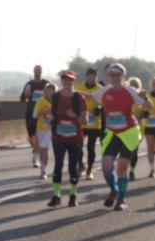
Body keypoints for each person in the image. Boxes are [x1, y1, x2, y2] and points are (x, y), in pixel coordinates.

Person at [92, 63, 147, 211]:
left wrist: (145, 98)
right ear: (108, 76)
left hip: (129, 133)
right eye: (112, 74)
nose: (115, 77)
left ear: (123, 76)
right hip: (113, 134)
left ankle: (122, 199)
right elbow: (89, 97)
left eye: (118, 75)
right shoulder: (105, 90)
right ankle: (114, 190)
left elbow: (149, 106)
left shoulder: (131, 90)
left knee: (121, 168)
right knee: (106, 166)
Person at [46, 71, 86, 207]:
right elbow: (53, 113)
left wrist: (74, 116)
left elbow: (85, 120)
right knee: (58, 165)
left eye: (70, 80)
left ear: (74, 81)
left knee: (72, 167)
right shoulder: (56, 97)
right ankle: (56, 196)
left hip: (75, 138)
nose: (67, 82)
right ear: (62, 81)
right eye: (65, 79)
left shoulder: (79, 98)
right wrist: (50, 118)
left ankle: (73, 196)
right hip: (59, 136)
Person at [75, 67, 105, 180]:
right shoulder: (79, 88)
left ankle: (89, 170)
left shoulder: (100, 89)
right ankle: (81, 165)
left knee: (90, 147)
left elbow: (106, 105)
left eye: (94, 77)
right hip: (81, 122)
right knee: (77, 145)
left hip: (94, 123)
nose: (92, 79)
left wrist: (100, 110)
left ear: (96, 77)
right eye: (89, 76)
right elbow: (73, 102)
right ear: (86, 76)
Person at [21, 65, 49, 170]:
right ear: (33, 71)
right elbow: (22, 98)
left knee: (40, 135)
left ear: (42, 71)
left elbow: (53, 96)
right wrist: (26, 94)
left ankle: (36, 156)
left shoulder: (46, 84)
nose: (38, 72)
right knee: (31, 135)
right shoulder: (30, 84)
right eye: (36, 70)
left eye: (39, 70)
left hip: (43, 114)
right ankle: (36, 150)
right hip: (31, 113)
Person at [32, 82, 55, 180]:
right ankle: (43, 168)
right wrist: (44, 112)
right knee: (42, 151)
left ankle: (45, 170)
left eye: (52, 90)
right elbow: (34, 115)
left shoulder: (57, 102)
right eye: (48, 90)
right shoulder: (40, 101)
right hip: (41, 129)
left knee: (46, 150)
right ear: (45, 91)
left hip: (53, 129)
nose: (50, 92)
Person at [127, 77, 146, 181]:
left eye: (136, 86)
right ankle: (125, 170)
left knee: (134, 150)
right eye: (132, 86)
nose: (134, 88)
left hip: (138, 127)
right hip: (125, 128)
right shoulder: (125, 96)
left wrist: (140, 115)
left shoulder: (141, 97)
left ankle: (131, 170)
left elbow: (147, 111)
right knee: (126, 150)